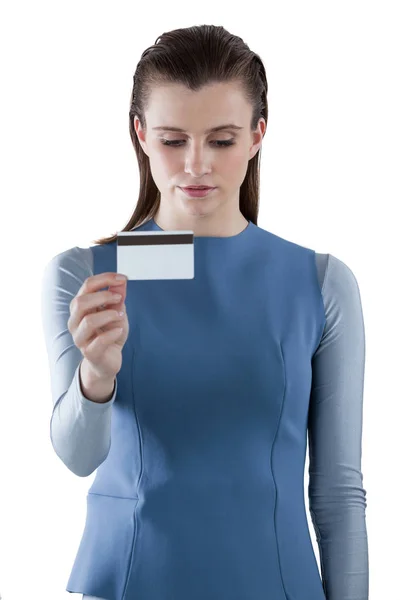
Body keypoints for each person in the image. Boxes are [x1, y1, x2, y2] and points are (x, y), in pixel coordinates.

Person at [41, 24, 369, 600]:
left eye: (220, 140)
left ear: (257, 134)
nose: (196, 166)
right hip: (129, 583)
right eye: (173, 140)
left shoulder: (320, 284)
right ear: (140, 135)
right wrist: (95, 377)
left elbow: (338, 491)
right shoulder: (84, 275)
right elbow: (78, 456)